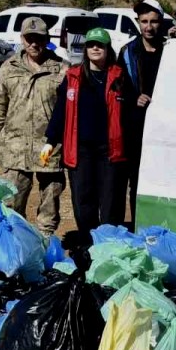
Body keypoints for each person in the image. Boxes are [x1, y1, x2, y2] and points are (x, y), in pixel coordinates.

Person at [42, 27, 127, 235]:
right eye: (91, 45)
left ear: (108, 49)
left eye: (100, 44)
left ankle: (109, 243)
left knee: (110, 202)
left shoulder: (119, 77)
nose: (95, 48)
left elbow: (130, 114)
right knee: (83, 200)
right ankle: (87, 244)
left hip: (110, 151)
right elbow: (60, 110)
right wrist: (50, 140)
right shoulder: (73, 77)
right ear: (85, 49)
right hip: (80, 150)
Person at [0, 16, 68, 237]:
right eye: (29, 38)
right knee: (12, 202)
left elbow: (69, 112)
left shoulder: (61, 69)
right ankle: (16, 245)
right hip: (15, 148)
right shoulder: (8, 68)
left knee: (50, 202)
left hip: (49, 148)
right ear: (22, 39)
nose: (34, 43)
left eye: (39, 38)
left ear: (47, 39)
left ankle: (44, 244)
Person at [118, 0, 167, 229]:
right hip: (135, 128)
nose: (149, 26)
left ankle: (157, 225)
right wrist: (132, 98)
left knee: (160, 181)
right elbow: (119, 88)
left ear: (161, 23)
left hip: (164, 129)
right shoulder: (128, 52)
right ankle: (136, 226)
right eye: (144, 21)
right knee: (134, 181)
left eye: (154, 21)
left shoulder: (171, 51)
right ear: (138, 23)